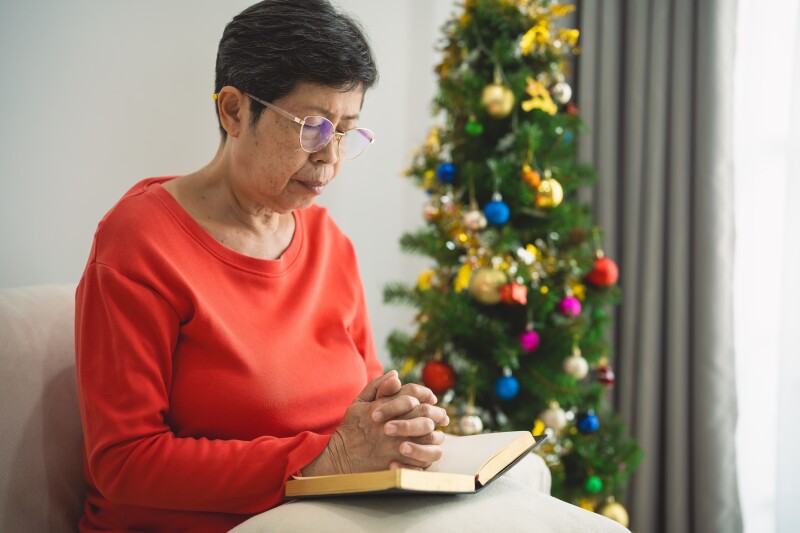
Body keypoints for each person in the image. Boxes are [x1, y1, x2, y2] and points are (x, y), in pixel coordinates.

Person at [74, 1, 448, 531]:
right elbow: (123, 463)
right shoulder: (140, 243)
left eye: (345, 131)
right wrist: (325, 460)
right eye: (313, 127)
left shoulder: (330, 242)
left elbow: (363, 401)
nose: (330, 157)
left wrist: (395, 425)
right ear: (233, 111)